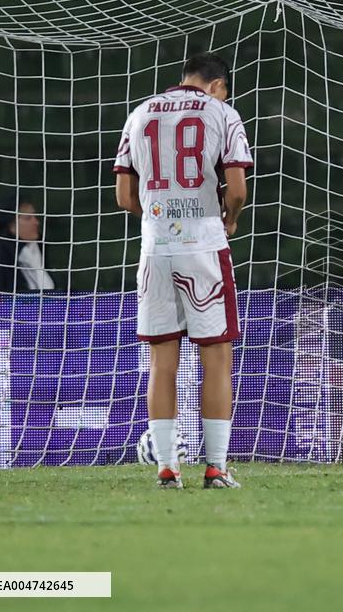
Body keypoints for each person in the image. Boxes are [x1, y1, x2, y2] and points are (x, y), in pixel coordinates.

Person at [113, 52, 253, 489]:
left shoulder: (139, 113)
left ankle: (167, 468)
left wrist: (159, 215)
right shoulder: (222, 113)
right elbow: (238, 189)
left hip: (155, 248)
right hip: (203, 245)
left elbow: (123, 195)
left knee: (162, 361)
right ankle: (215, 467)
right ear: (215, 85)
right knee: (216, 357)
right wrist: (228, 217)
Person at [0, 198, 56, 293]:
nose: (36, 222)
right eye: (28, 218)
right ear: (11, 225)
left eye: (35, 216)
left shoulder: (41, 249)